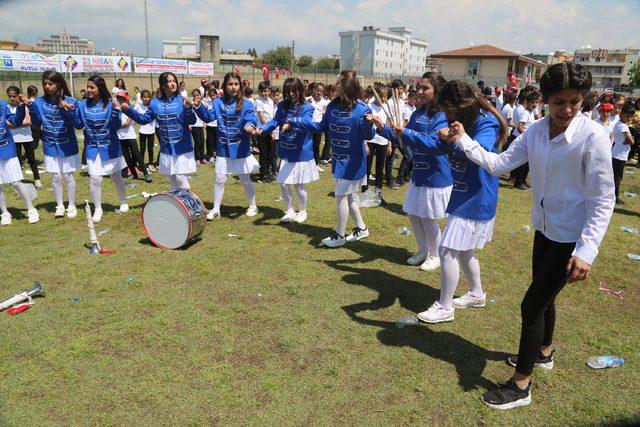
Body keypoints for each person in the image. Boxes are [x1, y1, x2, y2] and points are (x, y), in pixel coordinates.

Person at [446, 62, 614, 409]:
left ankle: (520, 386)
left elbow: (602, 198)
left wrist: (586, 251)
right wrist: (463, 139)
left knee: (532, 304)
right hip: (544, 229)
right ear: (545, 101)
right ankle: (544, 352)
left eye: (575, 101)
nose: (566, 110)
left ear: (584, 100)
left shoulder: (592, 136)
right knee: (544, 297)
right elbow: (498, 164)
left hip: (571, 237)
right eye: (558, 102)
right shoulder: (536, 132)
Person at [416, 79, 509, 324]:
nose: (446, 115)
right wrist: (445, 139)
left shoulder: (486, 122)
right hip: (463, 193)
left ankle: (445, 307)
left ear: (460, 106)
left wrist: (457, 137)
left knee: (446, 250)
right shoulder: (464, 122)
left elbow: (485, 154)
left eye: (448, 110)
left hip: (477, 197)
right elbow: (446, 147)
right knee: (464, 248)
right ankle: (477, 293)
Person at [287, 70, 375, 248]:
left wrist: (368, 123)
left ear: (347, 86)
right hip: (338, 160)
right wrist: (297, 120)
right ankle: (361, 228)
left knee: (341, 195)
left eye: (338, 83)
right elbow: (320, 127)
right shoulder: (333, 106)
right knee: (348, 197)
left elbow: (369, 135)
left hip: (355, 161)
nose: (335, 86)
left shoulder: (362, 108)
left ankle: (340, 235)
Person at [375, 72, 452, 272]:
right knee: (413, 213)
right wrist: (382, 127)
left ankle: (436, 254)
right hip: (419, 173)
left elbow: (434, 144)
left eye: (425, 88)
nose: (419, 91)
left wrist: (406, 132)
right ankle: (422, 250)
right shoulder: (418, 113)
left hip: (435, 175)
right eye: (419, 87)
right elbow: (402, 137)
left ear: (437, 91)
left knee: (427, 216)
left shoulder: (443, 116)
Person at [193, 72, 260, 219]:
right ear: (225, 86)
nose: (233, 87)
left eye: (236, 84)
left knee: (245, 178)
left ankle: (253, 206)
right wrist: (199, 107)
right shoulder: (218, 102)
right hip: (223, 147)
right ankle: (216, 209)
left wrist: (249, 126)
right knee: (220, 178)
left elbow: (250, 118)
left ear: (240, 86)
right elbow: (209, 117)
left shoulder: (247, 103)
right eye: (230, 84)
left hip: (240, 147)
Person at [257, 77, 318, 224]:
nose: (291, 94)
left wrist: (291, 123)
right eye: (288, 91)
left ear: (300, 90)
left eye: (294, 91)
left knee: (298, 185)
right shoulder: (283, 105)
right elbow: (275, 121)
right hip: (286, 151)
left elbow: (307, 123)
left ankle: (302, 211)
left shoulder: (307, 107)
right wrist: (263, 128)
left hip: (301, 152)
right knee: (283, 182)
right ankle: (290, 210)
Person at [121, 72, 197, 189]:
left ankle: (190, 204)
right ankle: (178, 204)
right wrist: (129, 110)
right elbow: (143, 119)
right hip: (166, 147)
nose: (173, 83)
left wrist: (188, 107)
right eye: (169, 81)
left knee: (180, 177)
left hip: (182, 146)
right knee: (172, 178)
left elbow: (192, 121)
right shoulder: (155, 103)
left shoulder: (182, 100)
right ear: (162, 85)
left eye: (174, 81)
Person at [23, 70, 80, 218]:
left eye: (51, 83)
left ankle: (72, 205)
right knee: (55, 176)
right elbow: (37, 122)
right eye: (45, 84)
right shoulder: (40, 102)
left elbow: (79, 125)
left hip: (67, 145)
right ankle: (60, 205)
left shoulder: (71, 101)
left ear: (59, 83)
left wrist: (69, 110)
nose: (47, 86)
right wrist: (31, 107)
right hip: (50, 145)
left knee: (68, 175)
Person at [73, 76, 129, 222]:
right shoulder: (83, 104)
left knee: (116, 175)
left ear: (100, 88)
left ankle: (123, 201)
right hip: (92, 148)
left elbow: (116, 126)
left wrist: (117, 111)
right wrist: (71, 112)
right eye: (88, 87)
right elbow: (78, 125)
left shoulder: (111, 104)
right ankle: (98, 208)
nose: (89, 90)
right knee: (95, 178)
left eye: (92, 87)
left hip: (110, 146)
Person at [0, 97, 39, 225]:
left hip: (6, 149)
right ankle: (5, 213)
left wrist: (22, 107)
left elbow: (15, 121)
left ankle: (31, 209)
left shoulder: (2, 105)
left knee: (16, 181)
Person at [6, 87, 41, 188]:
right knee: (16, 160)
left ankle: (37, 179)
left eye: (14, 96)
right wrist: (16, 123)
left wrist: (14, 124)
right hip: (13, 138)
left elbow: (29, 122)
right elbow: (6, 123)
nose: (12, 98)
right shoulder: (6, 108)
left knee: (31, 159)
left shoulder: (24, 106)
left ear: (18, 95)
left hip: (26, 137)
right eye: (10, 96)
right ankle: (19, 180)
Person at [363, 83, 393, 197]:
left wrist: (389, 144)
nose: (383, 98)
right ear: (376, 95)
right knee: (367, 168)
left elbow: (388, 127)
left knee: (380, 170)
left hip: (383, 141)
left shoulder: (387, 108)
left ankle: (378, 194)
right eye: (381, 95)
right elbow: (364, 126)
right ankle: (364, 192)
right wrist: (365, 143)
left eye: (385, 96)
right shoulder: (369, 107)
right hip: (370, 140)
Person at [116, 91, 152, 183]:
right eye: (119, 98)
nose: (120, 100)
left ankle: (146, 173)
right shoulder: (116, 110)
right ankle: (134, 174)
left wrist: (115, 126)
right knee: (127, 158)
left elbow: (127, 123)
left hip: (130, 136)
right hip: (120, 137)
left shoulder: (130, 110)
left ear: (126, 99)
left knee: (137, 155)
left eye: (122, 98)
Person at [611, 101, 637, 204]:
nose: (629, 118)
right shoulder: (623, 126)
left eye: (631, 116)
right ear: (621, 114)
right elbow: (631, 141)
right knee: (617, 177)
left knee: (615, 176)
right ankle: (615, 198)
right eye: (627, 116)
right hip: (619, 155)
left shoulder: (619, 123)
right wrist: (630, 140)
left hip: (616, 153)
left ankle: (613, 196)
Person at [255, 81, 277, 182]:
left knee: (270, 153)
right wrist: (270, 131)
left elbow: (271, 117)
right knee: (263, 153)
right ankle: (263, 175)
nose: (265, 93)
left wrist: (272, 129)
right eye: (263, 91)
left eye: (267, 91)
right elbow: (262, 117)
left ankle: (268, 172)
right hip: (262, 130)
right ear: (260, 91)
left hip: (270, 129)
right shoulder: (259, 101)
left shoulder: (271, 101)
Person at [308, 83, 330, 170]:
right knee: (308, 145)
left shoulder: (325, 102)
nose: (319, 92)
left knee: (316, 146)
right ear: (314, 90)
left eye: (321, 91)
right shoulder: (308, 99)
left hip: (318, 127)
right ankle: (307, 165)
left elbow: (325, 114)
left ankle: (316, 164)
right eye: (318, 90)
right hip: (309, 126)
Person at [134, 90, 157, 171]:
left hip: (151, 131)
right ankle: (142, 164)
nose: (146, 99)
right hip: (142, 131)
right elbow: (133, 114)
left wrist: (154, 131)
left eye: (148, 97)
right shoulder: (138, 106)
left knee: (150, 148)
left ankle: (150, 164)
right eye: (145, 97)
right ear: (141, 98)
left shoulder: (152, 107)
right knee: (142, 149)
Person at [190, 89, 207, 165]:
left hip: (201, 125)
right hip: (194, 125)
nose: (196, 97)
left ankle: (202, 158)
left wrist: (205, 122)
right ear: (193, 97)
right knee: (197, 142)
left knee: (202, 142)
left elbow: (205, 113)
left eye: (198, 95)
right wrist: (189, 124)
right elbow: (189, 114)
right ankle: (197, 158)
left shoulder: (202, 103)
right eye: (195, 96)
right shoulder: (191, 104)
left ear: (200, 95)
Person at [203, 86, 218, 163]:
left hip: (217, 126)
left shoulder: (219, 103)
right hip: (209, 125)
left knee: (217, 141)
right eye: (211, 95)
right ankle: (211, 155)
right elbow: (205, 114)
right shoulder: (207, 103)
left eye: (214, 95)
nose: (213, 97)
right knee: (210, 141)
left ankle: (217, 155)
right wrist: (204, 123)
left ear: (216, 95)